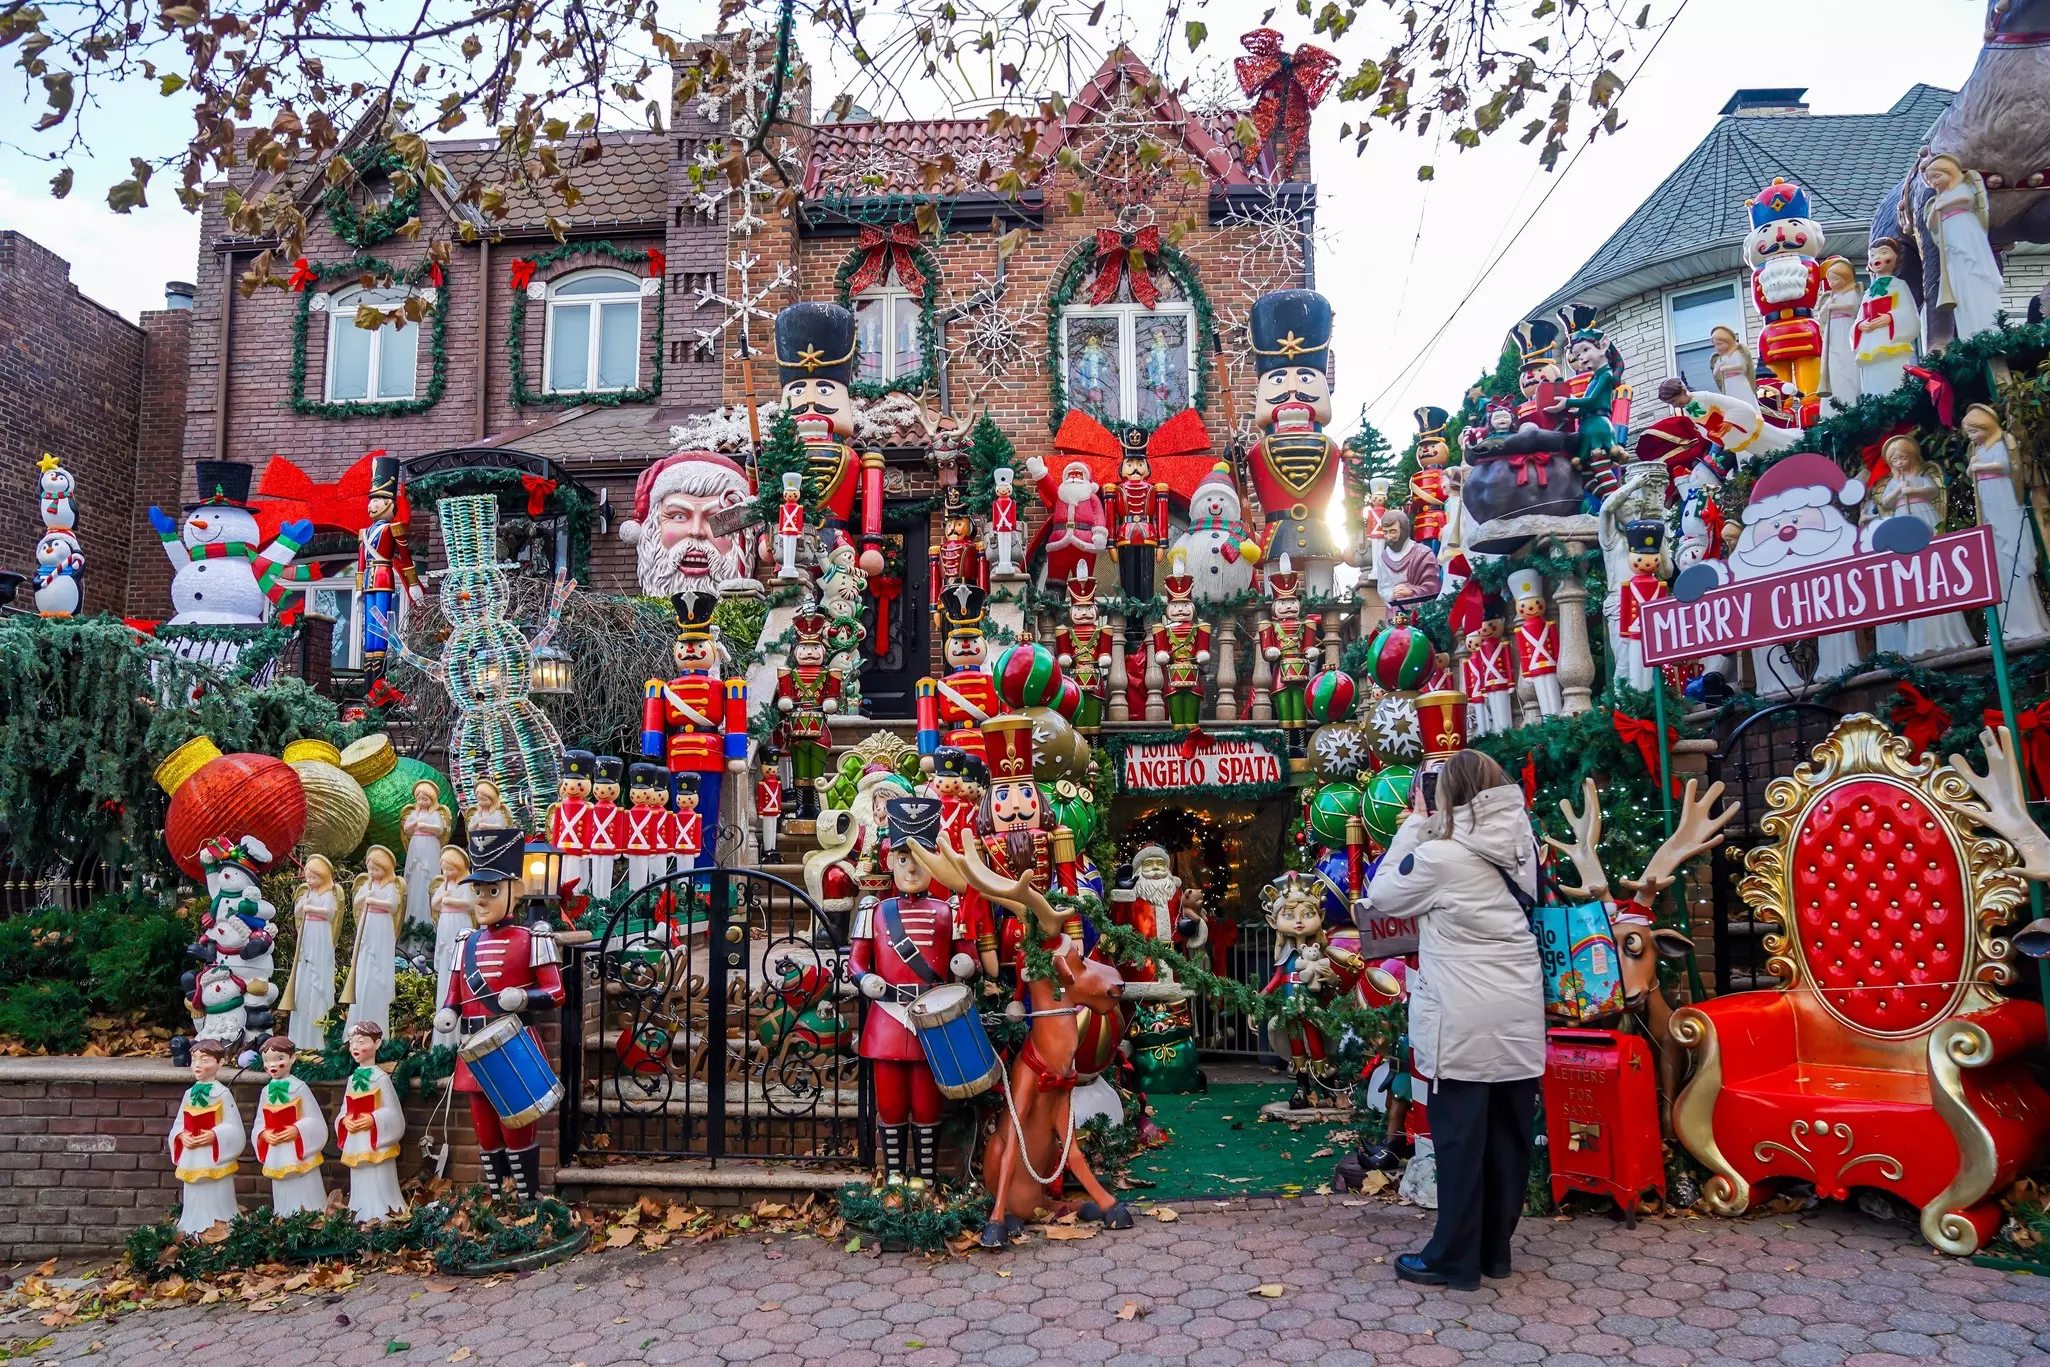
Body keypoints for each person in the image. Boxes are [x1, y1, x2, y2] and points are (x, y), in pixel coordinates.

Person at [1367, 749, 1545, 1290]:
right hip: (1517, 1009)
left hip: (1464, 1017)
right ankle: (1495, 1250)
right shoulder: (1521, 844)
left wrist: (1416, 825)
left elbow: (1381, 896)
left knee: (1462, 1140)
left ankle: (1454, 1258)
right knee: (1509, 1136)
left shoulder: (1440, 854)